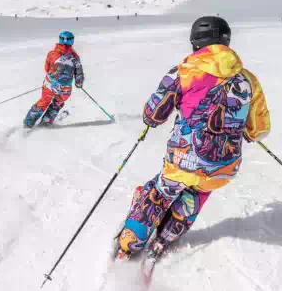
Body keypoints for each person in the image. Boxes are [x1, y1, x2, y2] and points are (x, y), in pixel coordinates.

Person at [114, 16, 271, 260]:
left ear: (196, 43)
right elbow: (258, 129)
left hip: (182, 159)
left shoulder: (184, 72)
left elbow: (154, 113)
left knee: (160, 192)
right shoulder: (248, 80)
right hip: (223, 166)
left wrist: (150, 121)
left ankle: (130, 241)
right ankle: (165, 236)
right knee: (197, 193)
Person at [23, 31, 84, 128]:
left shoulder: (52, 54)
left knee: (44, 100)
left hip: (50, 84)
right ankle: (46, 121)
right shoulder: (75, 57)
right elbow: (79, 73)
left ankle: (29, 121)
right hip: (65, 88)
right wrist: (79, 83)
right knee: (58, 102)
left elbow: (46, 68)